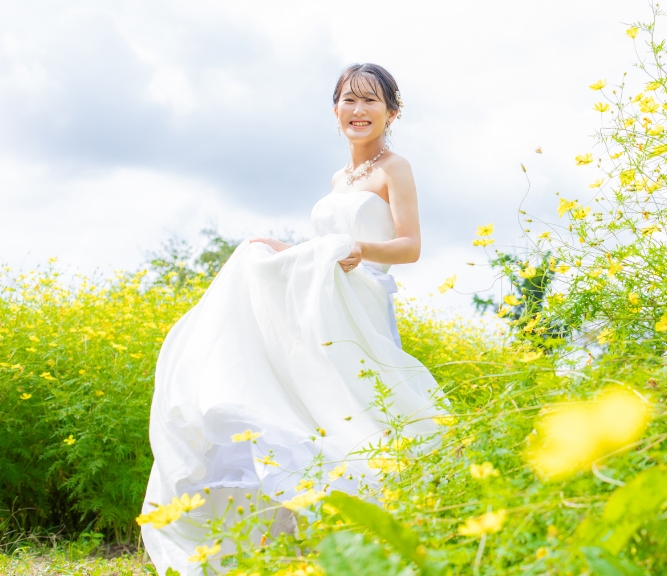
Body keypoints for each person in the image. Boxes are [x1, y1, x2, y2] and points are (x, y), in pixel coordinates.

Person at [139, 63, 447, 575]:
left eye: (371, 101)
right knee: (302, 395)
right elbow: (325, 247)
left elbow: (410, 247)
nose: (358, 110)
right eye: (348, 100)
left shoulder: (395, 168)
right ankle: (293, 539)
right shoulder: (338, 178)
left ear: (392, 112)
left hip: (362, 299)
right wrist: (285, 250)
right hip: (326, 295)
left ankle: (393, 530)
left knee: (361, 406)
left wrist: (355, 247)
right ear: (335, 111)